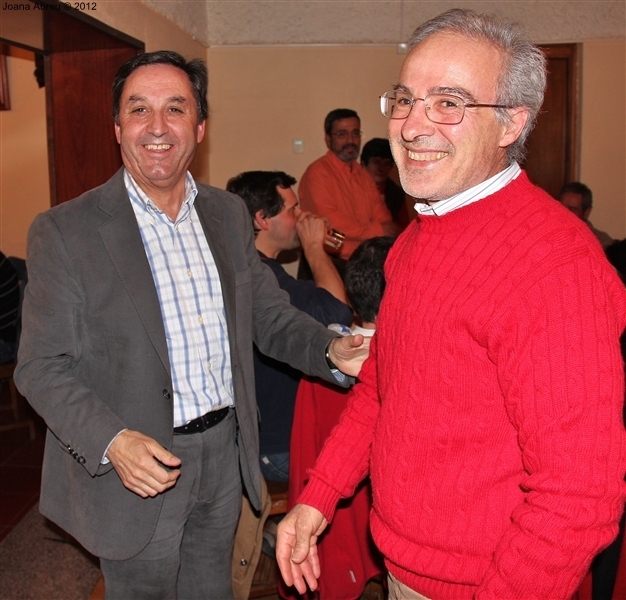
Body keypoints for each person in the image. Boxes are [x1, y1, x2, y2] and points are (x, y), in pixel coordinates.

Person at [277, 9, 626, 600]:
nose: (413, 126)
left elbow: (578, 495)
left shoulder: (553, 265)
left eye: (448, 103)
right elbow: (384, 387)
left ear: (512, 122)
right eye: (405, 100)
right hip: (403, 567)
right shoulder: (416, 240)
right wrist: (318, 497)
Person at [14, 51, 368, 600]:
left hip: (224, 454)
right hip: (139, 467)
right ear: (117, 127)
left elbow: (268, 316)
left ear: (199, 127)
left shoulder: (226, 215)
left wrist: (330, 349)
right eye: (139, 109)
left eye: (175, 108)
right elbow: (40, 366)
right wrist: (112, 441)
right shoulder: (66, 231)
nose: (157, 127)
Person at [225, 170, 353, 482]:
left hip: (268, 440)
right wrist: (314, 248)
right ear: (262, 219)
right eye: (293, 209)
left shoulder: (259, 268)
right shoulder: (261, 276)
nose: (302, 217)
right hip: (277, 446)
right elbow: (337, 315)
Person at [298, 109, 396, 261]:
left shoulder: (363, 174)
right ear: (328, 139)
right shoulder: (317, 173)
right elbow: (332, 225)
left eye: (355, 133)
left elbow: (384, 219)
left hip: (364, 260)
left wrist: (379, 231)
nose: (351, 140)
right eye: (342, 134)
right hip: (330, 261)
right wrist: (377, 231)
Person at [360, 138, 409, 230]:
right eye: (376, 162)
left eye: (386, 163)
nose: (381, 168)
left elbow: (403, 229)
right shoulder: (348, 188)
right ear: (363, 164)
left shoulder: (396, 194)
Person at [559, 181, 614, 248]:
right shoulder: (549, 235)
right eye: (561, 207)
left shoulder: (603, 243)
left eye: (572, 209)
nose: (565, 213)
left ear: (586, 213)